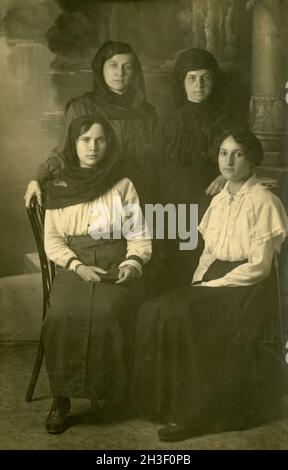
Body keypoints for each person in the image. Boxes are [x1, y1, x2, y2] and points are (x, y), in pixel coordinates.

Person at [133, 128, 288, 442]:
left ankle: (196, 415)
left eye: (238, 154)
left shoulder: (263, 200)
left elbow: (259, 266)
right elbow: (209, 251)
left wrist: (214, 286)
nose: (228, 161)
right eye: (223, 153)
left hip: (249, 287)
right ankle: (162, 405)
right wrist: (198, 282)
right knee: (154, 310)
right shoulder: (219, 199)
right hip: (217, 276)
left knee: (188, 314)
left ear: (253, 160)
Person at [42, 114, 152, 434]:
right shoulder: (59, 185)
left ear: (109, 144)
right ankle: (61, 399)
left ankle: (105, 394)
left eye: (100, 140)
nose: (92, 147)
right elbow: (53, 240)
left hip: (114, 260)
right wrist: (76, 266)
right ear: (73, 144)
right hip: (73, 262)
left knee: (108, 311)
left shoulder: (122, 184)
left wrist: (133, 263)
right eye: (85, 140)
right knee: (61, 313)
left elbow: (139, 233)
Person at [24, 40, 158, 208]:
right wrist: (37, 179)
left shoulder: (147, 112)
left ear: (135, 72)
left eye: (127, 66)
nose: (120, 72)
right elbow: (63, 153)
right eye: (113, 65)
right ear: (100, 68)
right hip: (97, 196)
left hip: (141, 194)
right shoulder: (82, 107)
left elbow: (158, 159)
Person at [154, 48, 245, 289]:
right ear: (182, 81)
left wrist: (224, 176)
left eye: (206, 78)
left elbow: (239, 157)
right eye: (192, 78)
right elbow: (156, 163)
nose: (199, 85)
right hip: (172, 199)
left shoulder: (227, 119)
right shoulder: (167, 120)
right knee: (173, 258)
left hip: (209, 198)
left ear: (214, 81)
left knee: (204, 256)